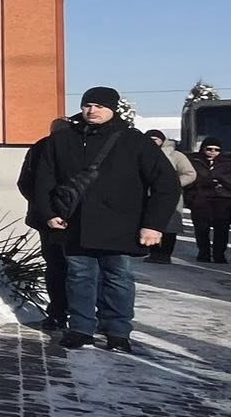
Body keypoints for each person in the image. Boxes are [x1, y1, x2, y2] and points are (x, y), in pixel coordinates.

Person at [27, 86, 178, 352]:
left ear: (112, 109)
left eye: (99, 106)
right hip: (75, 224)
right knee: (78, 276)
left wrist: (153, 224)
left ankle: (117, 332)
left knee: (117, 278)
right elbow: (43, 180)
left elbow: (166, 183)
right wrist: (49, 214)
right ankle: (81, 329)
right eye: (88, 105)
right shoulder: (62, 140)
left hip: (121, 225)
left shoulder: (134, 140)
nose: (92, 110)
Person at [18, 121, 72, 330]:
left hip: (46, 219)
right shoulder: (72, 147)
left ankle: (58, 313)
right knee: (73, 268)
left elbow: (25, 183)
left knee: (57, 266)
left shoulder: (39, 146)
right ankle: (69, 313)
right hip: (66, 219)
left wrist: (42, 208)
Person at [143, 130, 195, 262]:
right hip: (146, 195)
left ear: (162, 140)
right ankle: (153, 253)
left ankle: (165, 254)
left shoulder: (176, 156)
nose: (152, 141)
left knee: (169, 226)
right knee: (149, 222)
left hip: (169, 196)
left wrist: (173, 185)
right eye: (149, 138)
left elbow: (189, 173)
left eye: (155, 139)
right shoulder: (141, 154)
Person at [187, 136, 230, 263]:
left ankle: (219, 254)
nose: (212, 152)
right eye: (209, 149)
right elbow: (190, 178)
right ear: (203, 149)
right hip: (201, 199)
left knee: (221, 228)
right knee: (201, 228)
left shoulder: (227, 163)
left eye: (216, 150)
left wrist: (221, 181)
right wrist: (192, 196)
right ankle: (203, 252)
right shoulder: (194, 161)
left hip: (222, 199)